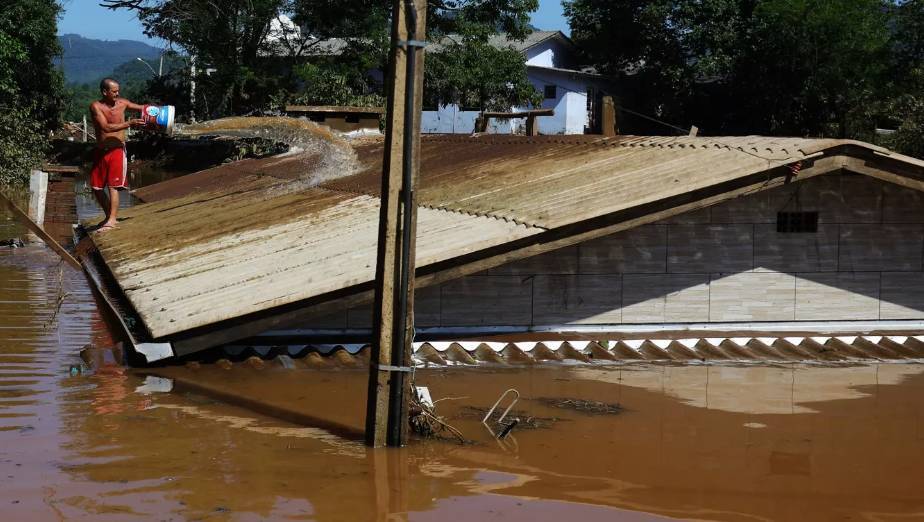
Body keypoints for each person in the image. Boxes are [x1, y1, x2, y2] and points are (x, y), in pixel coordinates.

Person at [89, 77, 146, 231]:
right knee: (96, 186)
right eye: (114, 91)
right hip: (101, 151)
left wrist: (161, 111)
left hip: (117, 150)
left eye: (118, 91)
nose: (117, 93)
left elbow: (143, 108)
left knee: (113, 186)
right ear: (104, 92)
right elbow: (106, 128)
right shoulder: (96, 106)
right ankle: (109, 216)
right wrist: (129, 124)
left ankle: (112, 220)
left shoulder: (123, 103)